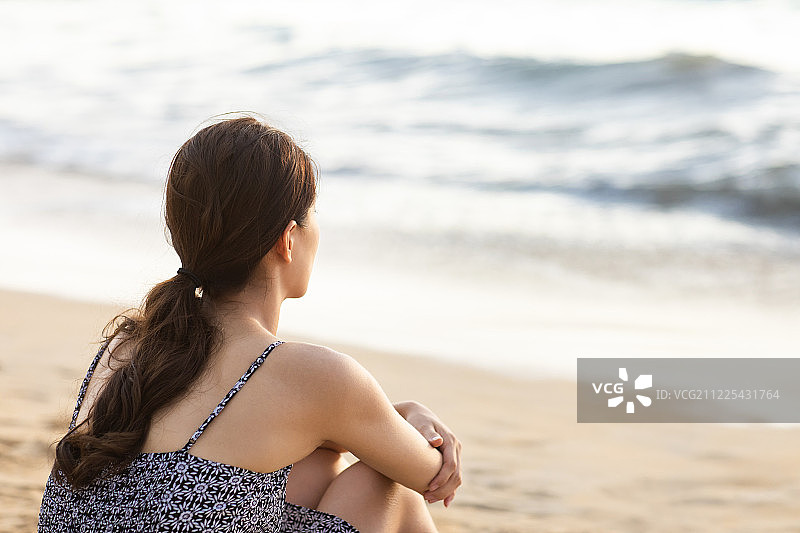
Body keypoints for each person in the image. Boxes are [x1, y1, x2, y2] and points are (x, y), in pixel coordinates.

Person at [37, 115, 462, 532]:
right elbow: (430, 474)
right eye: (313, 213)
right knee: (383, 485)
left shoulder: (127, 344)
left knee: (316, 464)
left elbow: (327, 430)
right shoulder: (310, 377)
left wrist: (393, 414)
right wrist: (409, 417)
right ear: (288, 239)